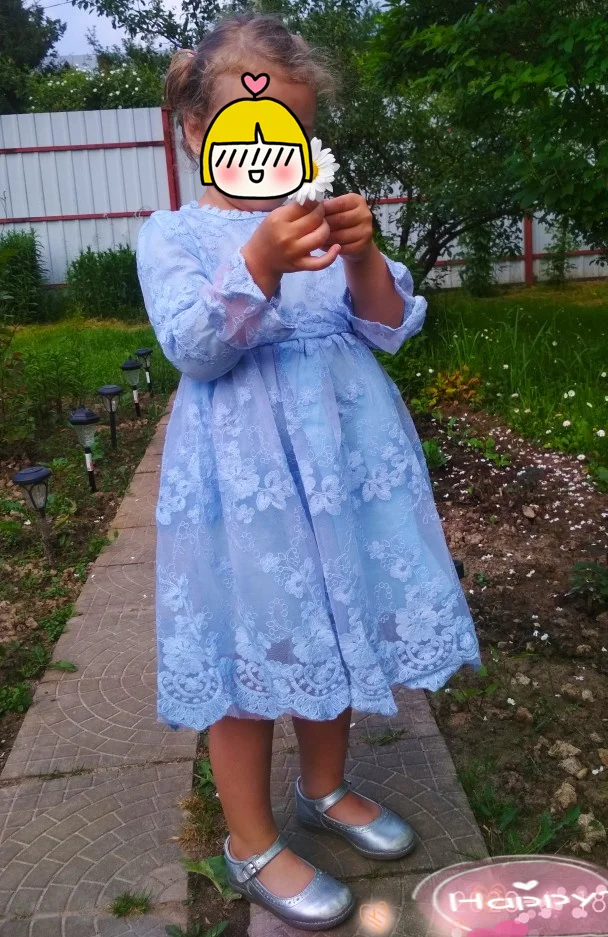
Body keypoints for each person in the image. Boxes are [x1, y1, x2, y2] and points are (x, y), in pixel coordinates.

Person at [136, 12, 482, 932]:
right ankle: (250, 840)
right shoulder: (173, 236)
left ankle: (324, 787)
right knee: (251, 649)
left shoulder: (322, 222)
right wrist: (257, 261)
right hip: (245, 485)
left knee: (334, 622)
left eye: (288, 130)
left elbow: (385, 325)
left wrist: (363, 253)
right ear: (198, 130)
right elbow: (194, 346)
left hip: (343, 474)